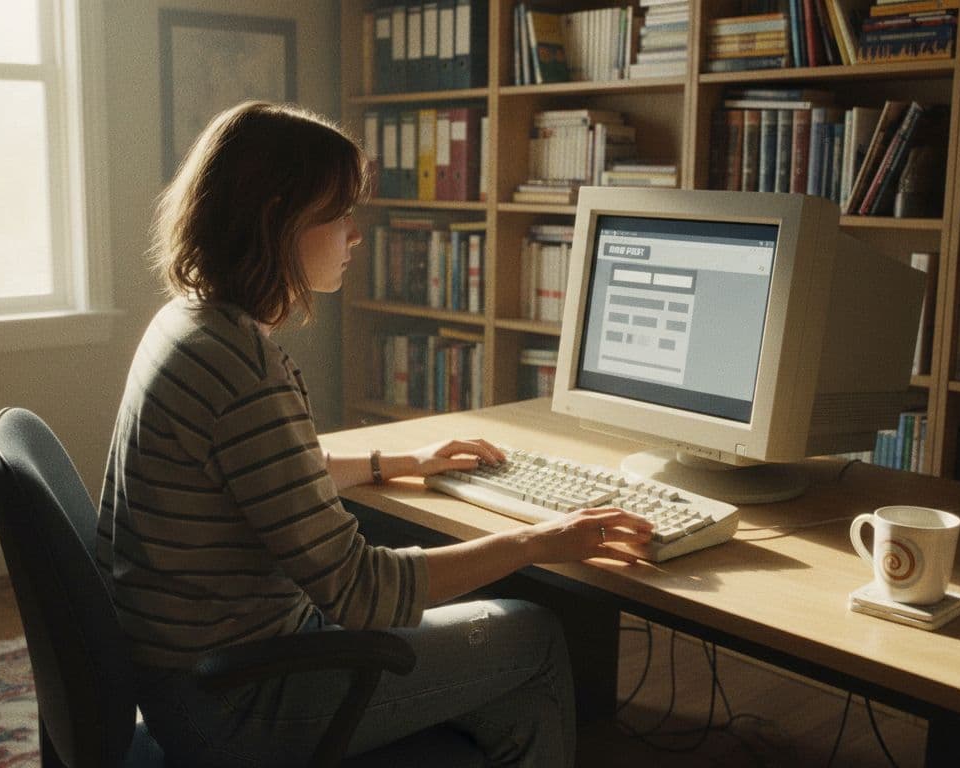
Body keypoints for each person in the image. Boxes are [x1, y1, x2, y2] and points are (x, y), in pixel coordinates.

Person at [97, 101, 654, 767]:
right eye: (339, 214)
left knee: (520, 698)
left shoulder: (189, 324)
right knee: (532, 635)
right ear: (278, 219)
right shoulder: (242, 369)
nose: (356, 235)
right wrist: (539, 541)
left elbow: (274, 475)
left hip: (187, 678)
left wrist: (400, 461)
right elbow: (362, 591)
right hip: (239, 704)